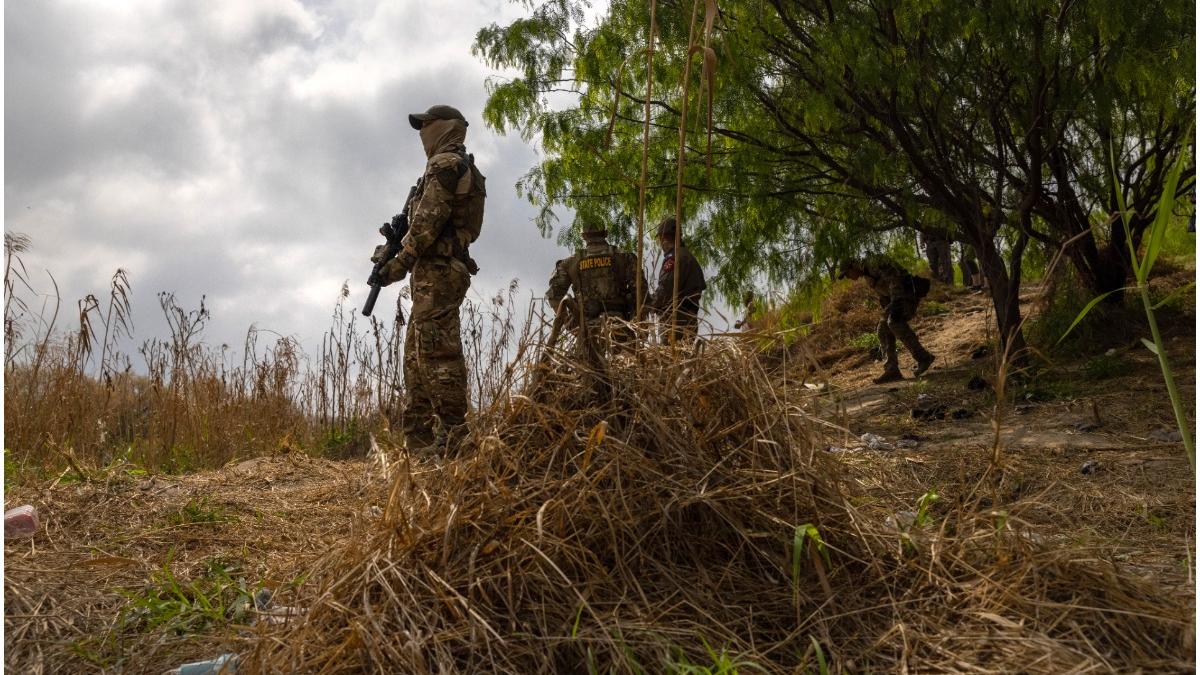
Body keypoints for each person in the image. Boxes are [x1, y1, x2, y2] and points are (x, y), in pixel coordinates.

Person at [372, 104, 486, 451]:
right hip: (434, 273)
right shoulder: (452, 167)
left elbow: (426, 224)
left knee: (438, 353)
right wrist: (390, 253)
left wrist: (399, 262)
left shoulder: (446, 165)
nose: (423, 133)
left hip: (439, 270)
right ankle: (418, 439)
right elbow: (418, 224)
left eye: (428, 125)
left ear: (446, 128)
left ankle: (454, 435)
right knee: (416, 354)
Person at [545, 223, 647, 345]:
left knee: (587, 363)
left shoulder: (570, 263)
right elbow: (641, 292)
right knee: (626, 360)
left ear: (583, 236)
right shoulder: (624, 257)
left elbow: (554, 296)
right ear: (605, 234)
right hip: (621, 327)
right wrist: (637, 322)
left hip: (588, 333)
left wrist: (572, 326)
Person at [839, 255, 935, 384]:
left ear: (853, 266)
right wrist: (887, 306)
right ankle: (892, 370)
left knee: (894, 323)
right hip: (894, 300)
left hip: (905, 295)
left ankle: (923, 357)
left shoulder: (874, 263)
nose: (848, 277)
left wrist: (895, 303)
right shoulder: (867, 275)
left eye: (847, 274)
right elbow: (883, 294)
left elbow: (895, 280)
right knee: (883, 330)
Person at [647, 216, 706, 343]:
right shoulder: (688, 256)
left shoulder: (674, 258)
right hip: (688, 320)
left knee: (670, 360)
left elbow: (665, 290)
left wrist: (648, 305)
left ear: (664, 238)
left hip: (676, 320)